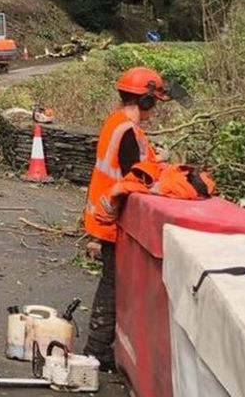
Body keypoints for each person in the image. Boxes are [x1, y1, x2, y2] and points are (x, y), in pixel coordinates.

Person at [83, 66, 171, 371]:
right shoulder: (128, 131)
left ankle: (100, 347)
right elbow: (136, 177)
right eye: (154, 102)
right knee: (112, 287)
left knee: (112, 284)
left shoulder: (116, 123)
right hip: (114, 218)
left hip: (106, 214)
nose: (155, 109)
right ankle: (97, 350)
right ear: (145, 101)